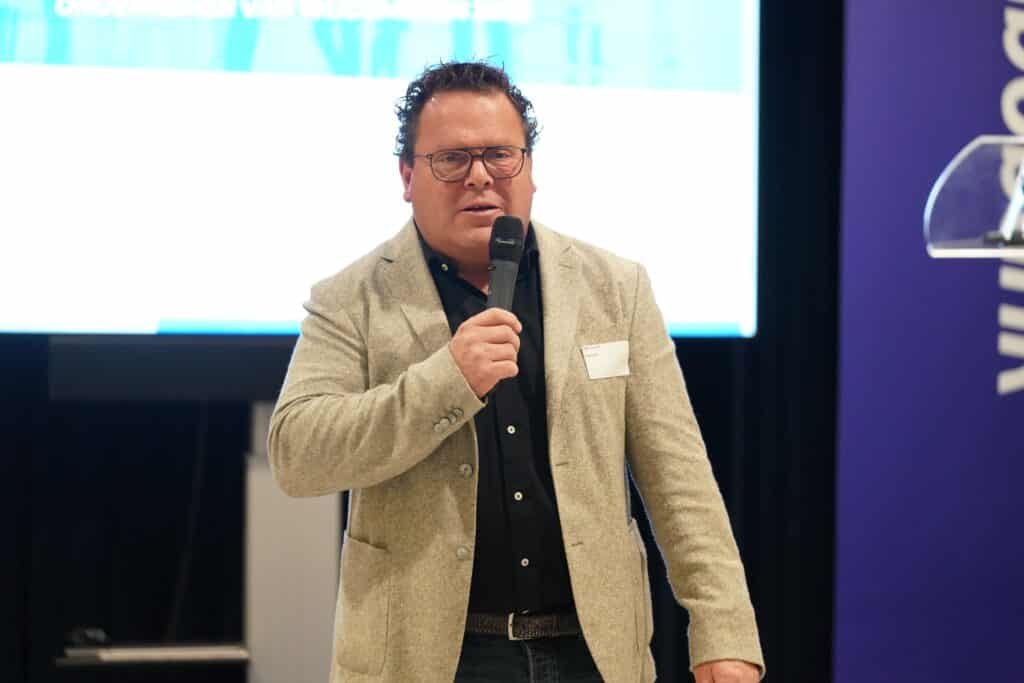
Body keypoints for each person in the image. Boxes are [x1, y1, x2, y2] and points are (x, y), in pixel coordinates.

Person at [268, 60, 764, 683]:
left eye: (500, 155)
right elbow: (298, 453)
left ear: (529, 168)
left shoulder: (615, 288)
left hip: (593, 651)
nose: (480, 176)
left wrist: (724, 631)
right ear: (407, 177)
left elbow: (679, 474)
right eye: (452, 159)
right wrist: (447, 381)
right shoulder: (352, 298)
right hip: (432, 659)